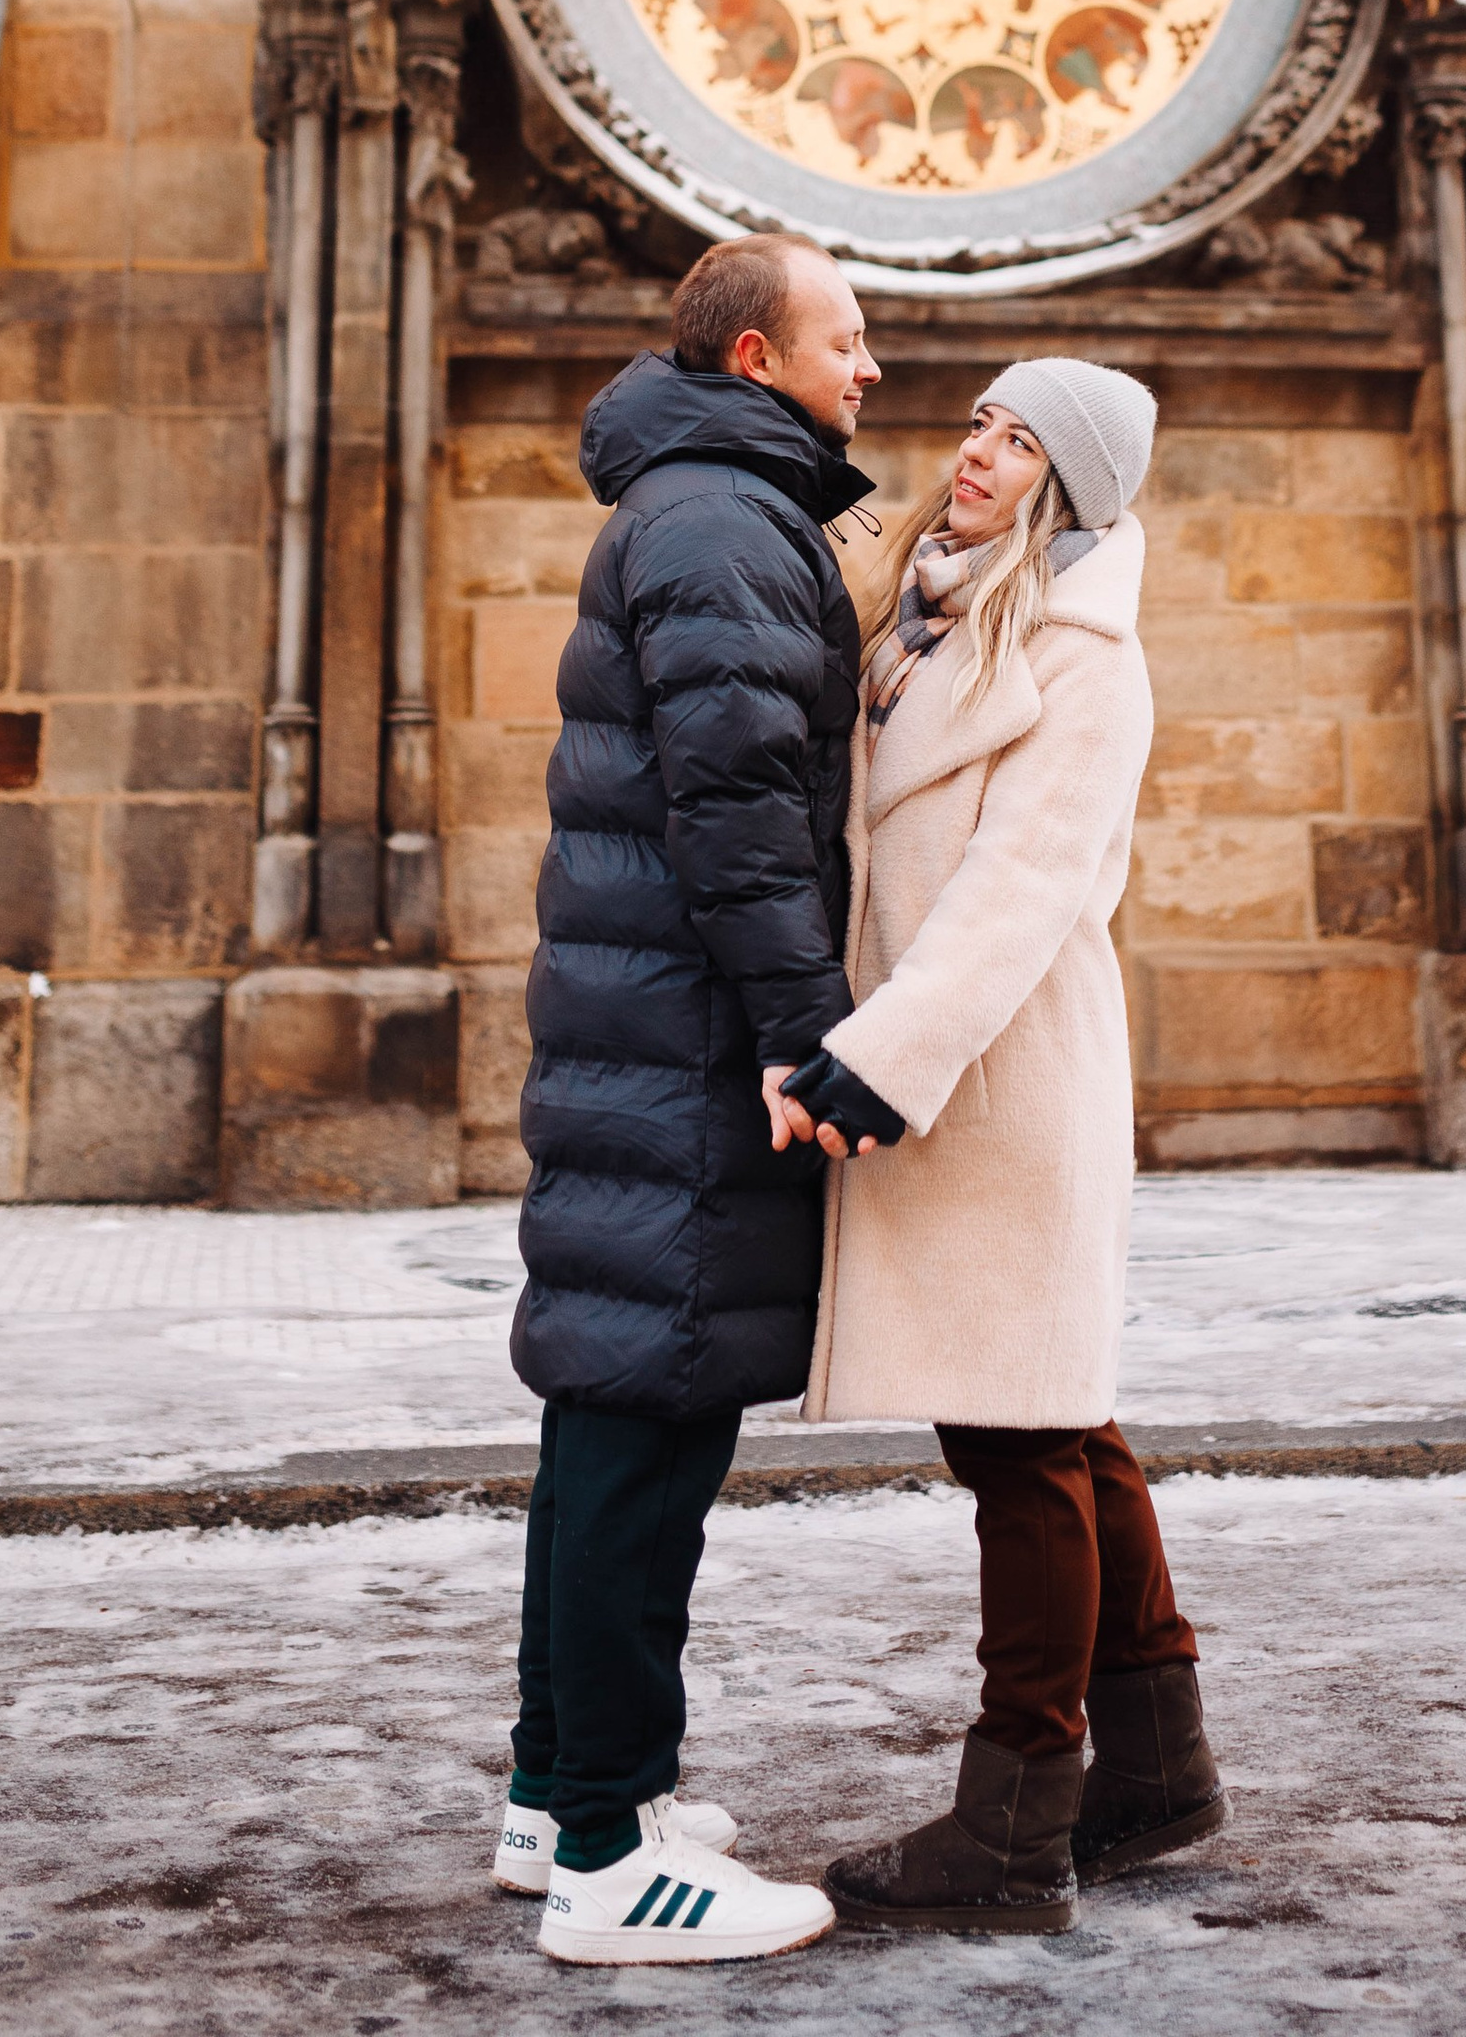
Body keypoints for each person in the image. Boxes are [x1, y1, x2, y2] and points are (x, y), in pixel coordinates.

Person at [774, 358, 1226, 1936]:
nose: (979, 454)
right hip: (950, 1068)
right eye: (979, 422)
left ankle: (1017, 1816)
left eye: (1022, 442)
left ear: (1075, 483)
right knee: (1059, 1421)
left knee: (1022, 1441)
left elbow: (1023, 892)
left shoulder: (1085, 654)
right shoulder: (931, 610)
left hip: (1002, 1075)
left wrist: (876, 1060)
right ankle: (1159, 1772)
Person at [499, 234, 882, 1967]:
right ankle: (605, 1854)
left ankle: (560, 1795)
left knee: (611, 1423)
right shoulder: (726, 522)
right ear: (752, 357)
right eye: (845, 340)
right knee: (647, 1429)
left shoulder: (704, 504)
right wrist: (809, 1032)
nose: (867, 369)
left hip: (641, 1022)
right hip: (686, 1038)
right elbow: (738, 809)